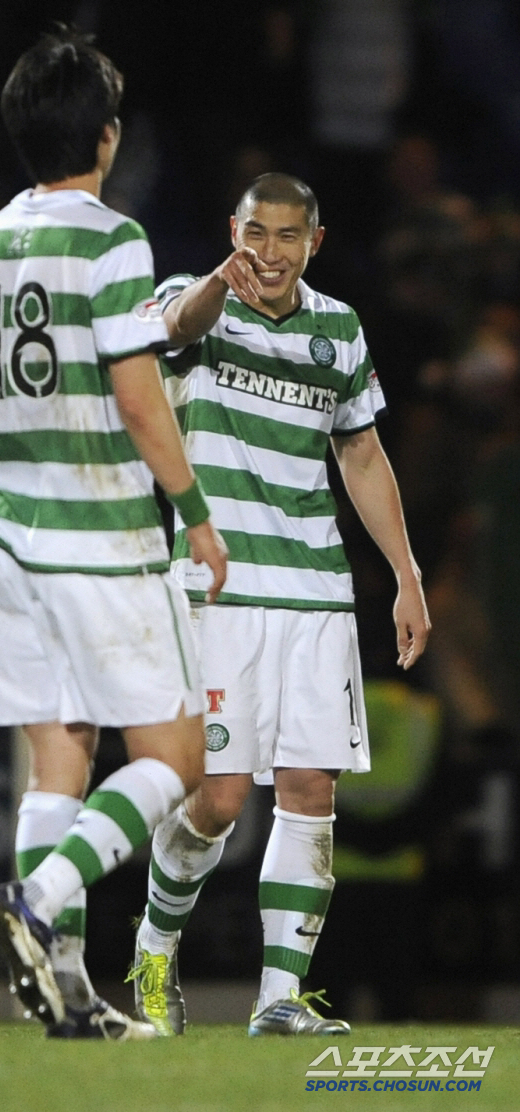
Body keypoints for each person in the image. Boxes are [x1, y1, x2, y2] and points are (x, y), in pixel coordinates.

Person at [0, 26, 227, 1041]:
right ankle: (33, 900)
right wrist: (191, 511)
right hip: (98, 537)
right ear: (104, 138)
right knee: (175, 755)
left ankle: (65, 992)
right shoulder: (111, 241)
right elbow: (138, 397)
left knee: (58, 758)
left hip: (9, 543)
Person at [127, 173, 431, 1037]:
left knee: (309, 787)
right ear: (234, 229)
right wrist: (218, 281)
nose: (269, 252)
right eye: (256, 233)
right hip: (217, 589)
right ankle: (153, 952)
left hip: (316, 591)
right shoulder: (197, 303)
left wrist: (405, 575)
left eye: (287, 237)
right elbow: (175, 328)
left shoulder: (338, 330)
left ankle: (280, 1000)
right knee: (219, 800)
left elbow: (362, 455)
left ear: (315, 243)